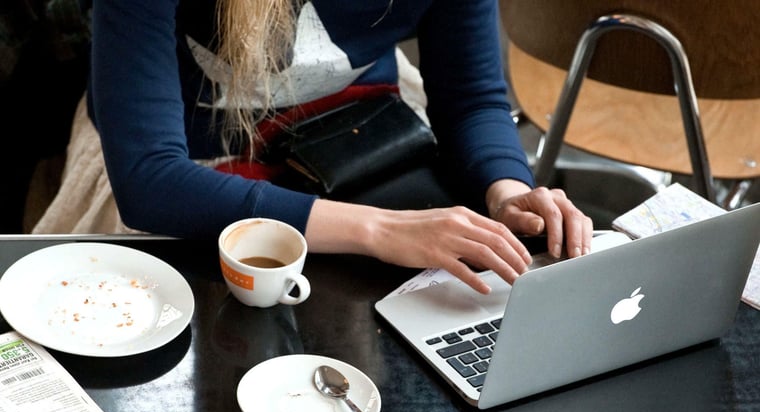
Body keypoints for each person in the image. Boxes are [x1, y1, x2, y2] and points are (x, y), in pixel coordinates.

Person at [32, 0, 593, 294]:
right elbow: (150, 181)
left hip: (365, 137)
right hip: (192, 164)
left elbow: (470, 98)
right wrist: (381, 230)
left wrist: (506, 191)